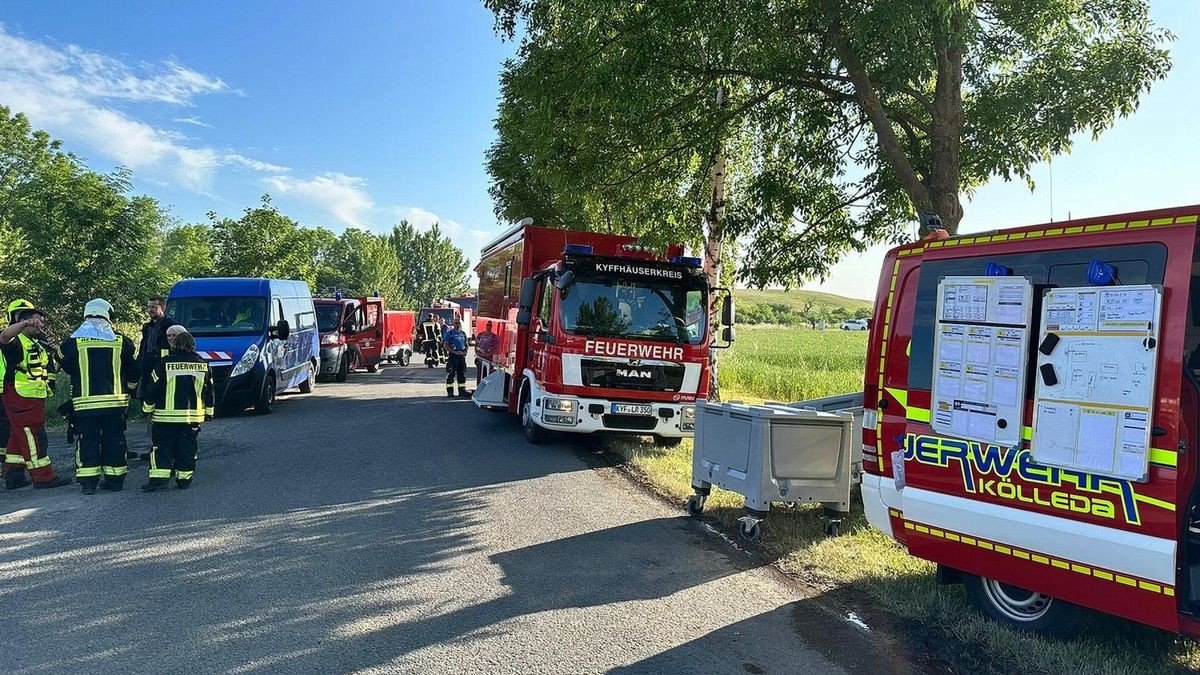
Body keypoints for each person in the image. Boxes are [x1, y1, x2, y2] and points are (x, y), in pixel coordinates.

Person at [58, 299, 139, 494]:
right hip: (115, 404)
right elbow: (134, 370)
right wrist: (130, 389)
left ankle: (88, 483)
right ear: (108, 316)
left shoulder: (72, 342)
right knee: (115, 440)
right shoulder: (121, 341)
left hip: (85, 405)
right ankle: (115, 480)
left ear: (87, 314)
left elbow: (62, 360)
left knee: (87, 441)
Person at [1, 300, 70, 489]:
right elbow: (4, 337)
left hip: (31, 396)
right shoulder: (17, 341)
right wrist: (24, 324)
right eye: (36, 322)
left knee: (19, 434)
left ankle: (14, 475)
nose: (40, 325)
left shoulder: (36, 342)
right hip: (20, 395)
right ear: (24, 322)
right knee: (34, 435)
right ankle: (43, 476)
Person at [141, 326, 213, 492]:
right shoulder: (203, 365)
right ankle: (184, 479)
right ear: (192, 345)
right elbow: (209, 391)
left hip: (165, 418)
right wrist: (209, 413)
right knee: (187, 448)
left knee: (162, 448)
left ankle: (159, 481)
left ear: (174, 345)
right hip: (191, 418)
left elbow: (153, 388)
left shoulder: (164, 363)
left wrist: (147, 409)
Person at [135, 297, 176, 460]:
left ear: (163, 308)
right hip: (147, 373)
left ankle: (167, 449)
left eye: (154, 307)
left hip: (163, 374)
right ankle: (155, 448)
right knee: (152, 415)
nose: (150, 310)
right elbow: (144, 348)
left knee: (162, 413)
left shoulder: (171, 326)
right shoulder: (147, 328)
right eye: (149, 307)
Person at [443, 319, 469, 398]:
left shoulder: (463, 334)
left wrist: (464, 352)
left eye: (459, 323)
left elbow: (466, 344)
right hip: (453, 356)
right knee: (451, 373)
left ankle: (462, 391)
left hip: (461, 357)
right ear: (453, 324)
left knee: (461, 374)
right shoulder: (449, 333)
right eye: (456, 323)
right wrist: (454, 352)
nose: (458, 325)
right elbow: (446, 345)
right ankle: (450, 392)